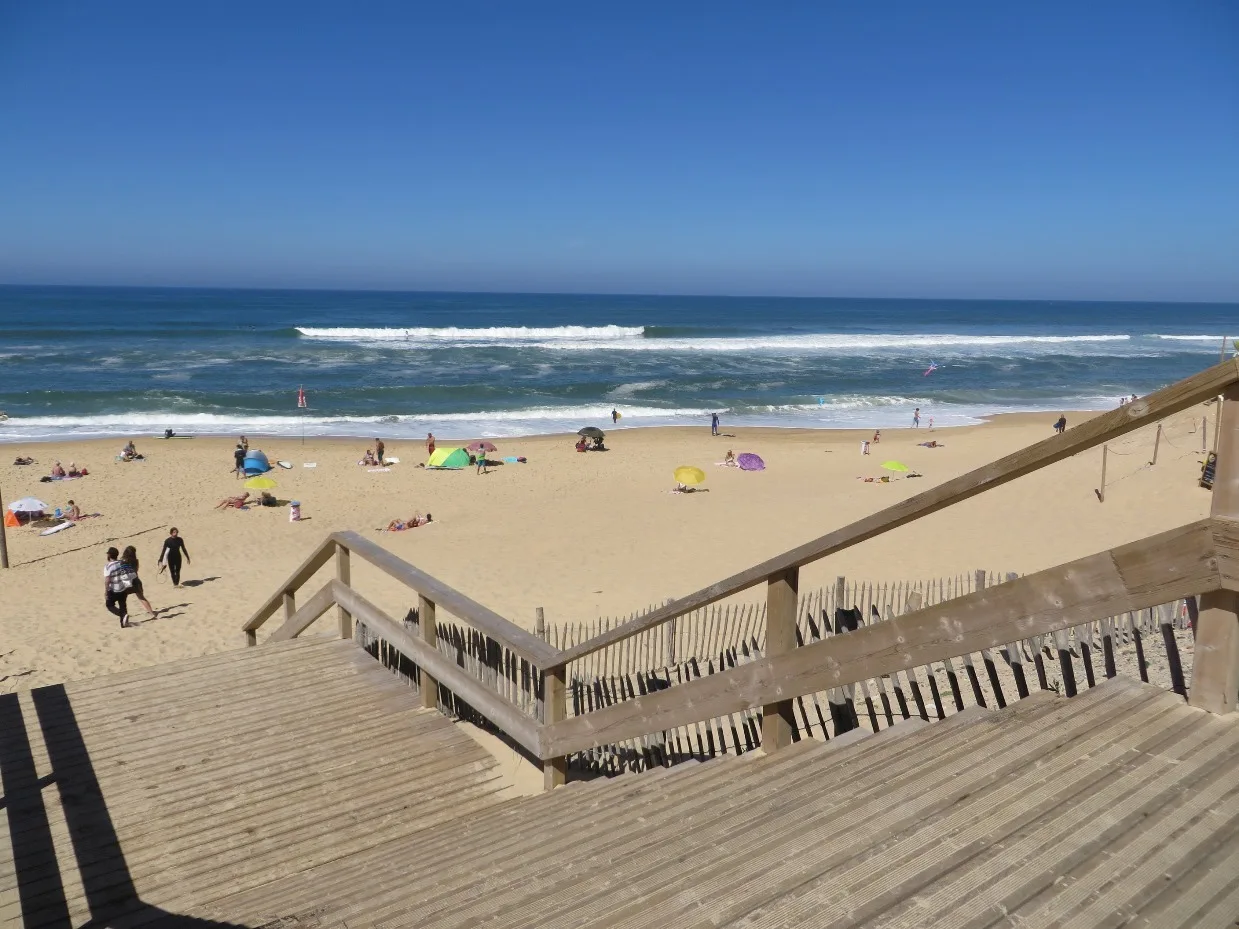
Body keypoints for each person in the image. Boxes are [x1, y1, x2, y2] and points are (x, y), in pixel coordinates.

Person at [121, 545, 155, 617]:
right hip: (136, 580)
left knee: (122, 599)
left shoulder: (122, 561)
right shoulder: (136, 561)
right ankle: (151, 613)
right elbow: (136, 570)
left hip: (126, 581)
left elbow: (121, 572)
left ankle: (124, 614)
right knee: (141, 597)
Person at [104, 547, 133, 627]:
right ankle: (124, 623)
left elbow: (107, 580)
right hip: (123, 588)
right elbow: (127, 574)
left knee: (109, 605)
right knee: (123, 605)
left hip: (114, 589)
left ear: (109, 555)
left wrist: (106, 591)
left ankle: (123, 615)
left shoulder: (108, 566)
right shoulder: (122, 563)